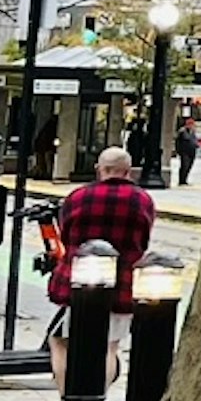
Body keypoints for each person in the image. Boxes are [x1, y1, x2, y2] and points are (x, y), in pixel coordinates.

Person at [47, 146, 155, 386]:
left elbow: (66, 237)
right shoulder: (143, 200)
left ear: (100, 169)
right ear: (128, 172)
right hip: (122, 281)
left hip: (80, 282)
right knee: (109, 346)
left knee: (60, 341)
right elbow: (143, 240)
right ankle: (99, 400)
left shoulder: (78, 197)